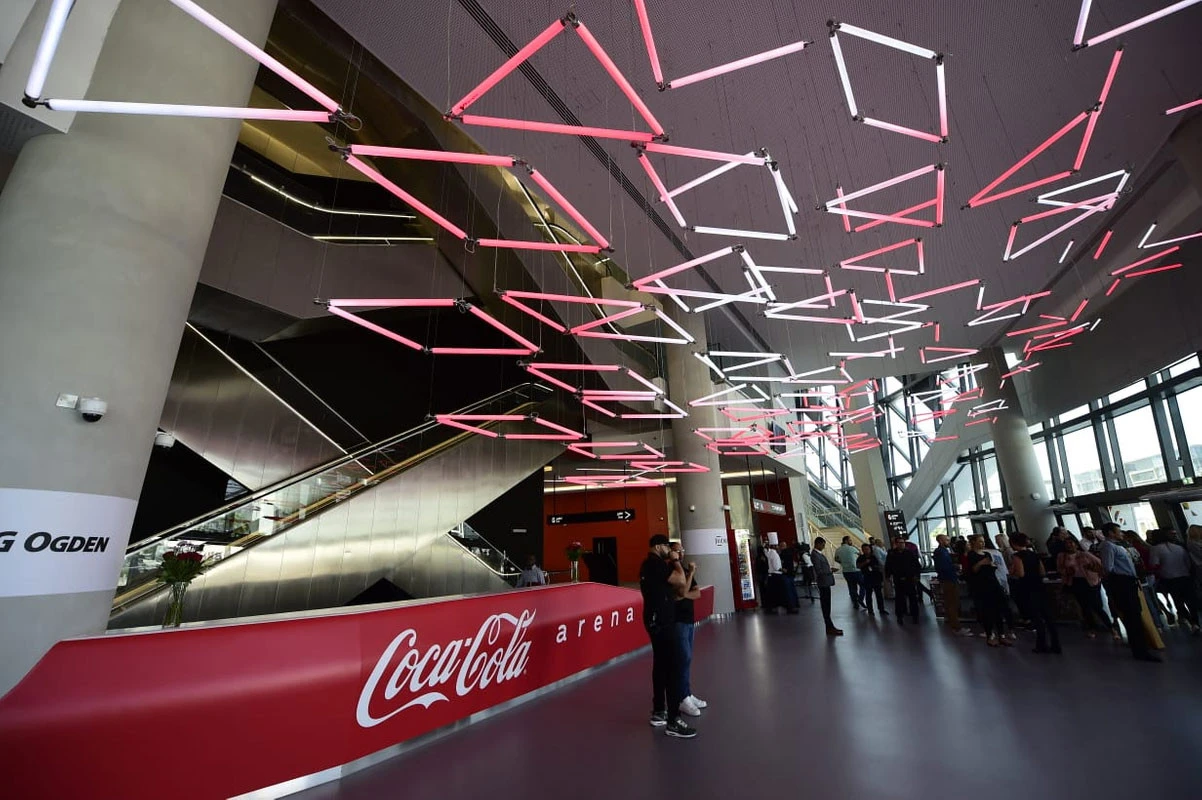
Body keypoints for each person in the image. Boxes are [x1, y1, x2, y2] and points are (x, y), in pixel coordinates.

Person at [639, 534, 698, 737]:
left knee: (661, 665)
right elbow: (680, 581)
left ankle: (659, 711)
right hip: (662, 621)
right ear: (658, 547)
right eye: (667, 546)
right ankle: (673, 720)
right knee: (672, 667)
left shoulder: (649, 565)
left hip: (655, 619)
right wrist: (676, 562)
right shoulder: (656, 564)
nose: (670, 550)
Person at [1099, 523, 1160, 662]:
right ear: (1110, 533)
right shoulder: (1109, 546)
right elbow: (1108, 567)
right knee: (1132, 616)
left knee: (1135, 615)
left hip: (1128, 582)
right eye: (1118, 531)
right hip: (1122, 583)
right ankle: (1140, 649)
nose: (1121, 534)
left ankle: (1140, 647)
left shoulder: (1117, 546)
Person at [668, 542, 709, 717]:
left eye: (682, 550)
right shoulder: (672, 572)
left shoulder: (684, 570)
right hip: (677, 621)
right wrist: (691, 574)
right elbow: (681, 592)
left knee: (687, 658)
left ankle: (687, 693)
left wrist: (685, 593)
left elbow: (696, 593)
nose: (681, 553)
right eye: (677, 551)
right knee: (682, 658)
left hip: (688, 620)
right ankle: (682, 697)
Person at [1009, 533, 1061, 654]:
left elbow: (1021, 573)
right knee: (1048, 617)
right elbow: (1042, 571)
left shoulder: (1017, 556)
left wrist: (1012, 572)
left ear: (1013, 543)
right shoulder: (1034, 554)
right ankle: (1056, 644)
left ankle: (1041, 644)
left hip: (1027, 588)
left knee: (1036, 618)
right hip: (1039, 586)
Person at [1057, 536, 1115, 640]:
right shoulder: (1062, 556)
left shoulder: (1084, 554)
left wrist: (1092, 569)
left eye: (1071, 543)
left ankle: (1111, 628)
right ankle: (1092, 628)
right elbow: (1060, 569)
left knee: (1097, 606)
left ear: (1076, 544)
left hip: (1090, 581)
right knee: (1084, 607)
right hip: (1075, 582)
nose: (1069, 545)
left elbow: (1099, 563)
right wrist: (1066, 571)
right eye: (1067, 543)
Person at [1149, 531, 1200, 634]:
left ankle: (1191, 622)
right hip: (1185, 576)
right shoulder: (1179, 547)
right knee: (1191, 601)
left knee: (1178, 602)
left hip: (1170, 579)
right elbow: (1188, 562)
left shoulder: (1155, 549)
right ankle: (1196, 622)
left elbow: (1154, 564)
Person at [966, 534, 1011, 647]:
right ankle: (990, 635)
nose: (983, 543)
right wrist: (981, 563)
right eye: (980, 541)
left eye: (983, 541)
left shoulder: (988, 554)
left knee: (998, 609)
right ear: (974, 542)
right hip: (982, 586)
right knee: (987, 611)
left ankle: (1002, 635)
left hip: (993, 582)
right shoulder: (971, 555)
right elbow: (973, 570)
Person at [933, 534, 969, 636]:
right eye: (946, 540)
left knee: (952, 602)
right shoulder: (941, 552)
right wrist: (956, 567)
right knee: (952, 603)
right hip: (948, 579)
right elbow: (945, 566)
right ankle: (956, 627)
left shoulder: (944, 551)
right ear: (940, 541)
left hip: (949, 578)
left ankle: (954, 624)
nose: (949, 542)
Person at [884, 535, 921, 625]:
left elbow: (916, 565)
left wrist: (916, 576)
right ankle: (899, 616)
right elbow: (888, 565)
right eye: (900, 543)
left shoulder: (909, 553)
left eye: (903, 543)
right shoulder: (892, 554)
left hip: (909, 578)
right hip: (898, 579)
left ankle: (915, 616)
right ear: (896, 544)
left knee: (913, 598)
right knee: (899, 599)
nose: (902, 544)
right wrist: (888, 576)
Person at [810, 537, 842, 636]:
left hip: (826, 582)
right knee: (825, 605)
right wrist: (830, 570)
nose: (823, 547)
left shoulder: (819, 554)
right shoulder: (815, 555)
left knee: (827, 604)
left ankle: (830, 626)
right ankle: (829, 627)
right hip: (823, 582)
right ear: (818, 544)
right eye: (823, 545)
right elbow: (819, 570)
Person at [834, 536, 866, 611]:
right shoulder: (852, 548)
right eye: (850, 540)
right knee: (863, 585)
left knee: (852, 587)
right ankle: (860, 599)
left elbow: (836, 559)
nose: (851, 542)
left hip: (846, 571)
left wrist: (842, 562)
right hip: (856, 570)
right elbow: (861, 554)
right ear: (846, 541)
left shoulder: (838, 550)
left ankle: (855, 603)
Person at [857, 543, 888, 616]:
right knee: (868, 594)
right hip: (867, 578)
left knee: (879, 594)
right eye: (864, 549)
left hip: (876, 577)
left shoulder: (874, 557)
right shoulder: (861, 558)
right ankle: (870, 610)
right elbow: (858, 566)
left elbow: (879, 565)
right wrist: (865, 563)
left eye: (867, 549)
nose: (866, 551)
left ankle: (881, 609)